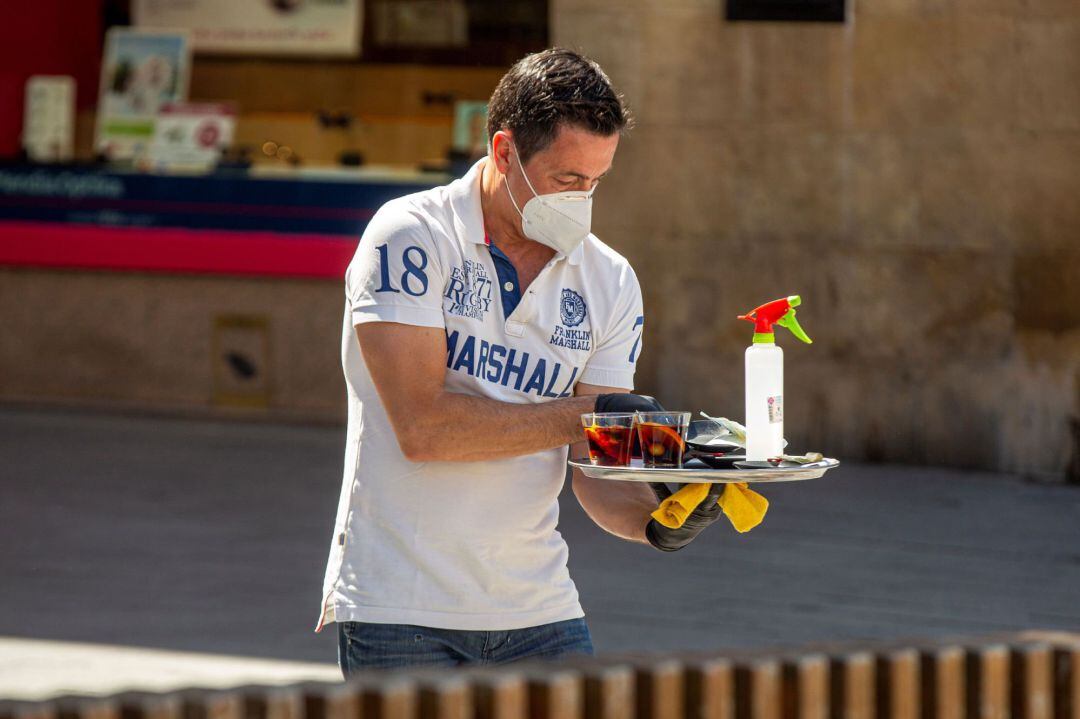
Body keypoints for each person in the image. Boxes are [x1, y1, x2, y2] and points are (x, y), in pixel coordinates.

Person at [317, 48, 726, 675]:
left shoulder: (609, 278)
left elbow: (592, 463)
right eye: (567, 179)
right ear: (504, 152)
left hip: (540, 608)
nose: (582, 199)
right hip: (399, 608)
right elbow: (424, 430)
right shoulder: (410, 235)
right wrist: (588, 415)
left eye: (596, 181)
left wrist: (658, 517)